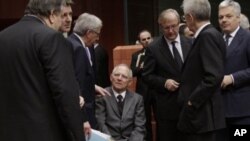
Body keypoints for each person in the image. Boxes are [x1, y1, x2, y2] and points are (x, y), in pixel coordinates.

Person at [0, 0, 86, 141]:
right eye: (62, 16)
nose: (66, 20)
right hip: (45, 133)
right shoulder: (51, 38)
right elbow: (64, 92)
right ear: (52, 15)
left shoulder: (2, 37)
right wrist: (77, 136)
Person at [177, 0, 226, 141]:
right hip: (202, 116)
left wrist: (192, 101)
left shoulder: (207, 36)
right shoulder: (210, 34)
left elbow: (213, 76)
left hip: (203, 116)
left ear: (190, 17)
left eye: (184, 17)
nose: (185, 20)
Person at [142, 9, 191, 141]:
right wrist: (164, 82)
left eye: (173, 26)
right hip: (167, 108)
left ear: (179, 24)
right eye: (166, 27)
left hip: (190, 106)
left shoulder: (190, 43)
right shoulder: (153, 48)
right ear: (160, 27)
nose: (170, 31)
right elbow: (146, 75)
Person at [68, 13, 109, 129]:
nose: (98, 38)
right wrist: (84, 119)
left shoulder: (71, 42)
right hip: (83, 111)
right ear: (89, 33)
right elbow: (77, 85)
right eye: (97, 34)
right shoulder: (78, 48)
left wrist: (93, 86)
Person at [218, 0, 250, 140]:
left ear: (238, 17)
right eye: (220, 17)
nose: (224, 20)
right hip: (218, 111)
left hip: (241, 111)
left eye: (228, 16)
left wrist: (232, 78)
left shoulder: (248, 38)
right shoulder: (217, 40)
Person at [95, 64, 146, 141]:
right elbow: (100, 124)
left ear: (130, 82)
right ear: (111, 78)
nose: (119, 78)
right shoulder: (102, 96)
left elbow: (140, 127)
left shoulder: (137, 99)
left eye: (124, 76)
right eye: (116, 75)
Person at [130, 29, 154, 141]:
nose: (147, 41)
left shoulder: (159, 52)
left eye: (148, 38)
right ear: (139, 42)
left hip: (157, 90)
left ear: (152, 38)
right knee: (145, 119)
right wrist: (141, 67)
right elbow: (132, 72)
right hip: (143, 91)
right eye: (143, 39)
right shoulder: (136, 55)